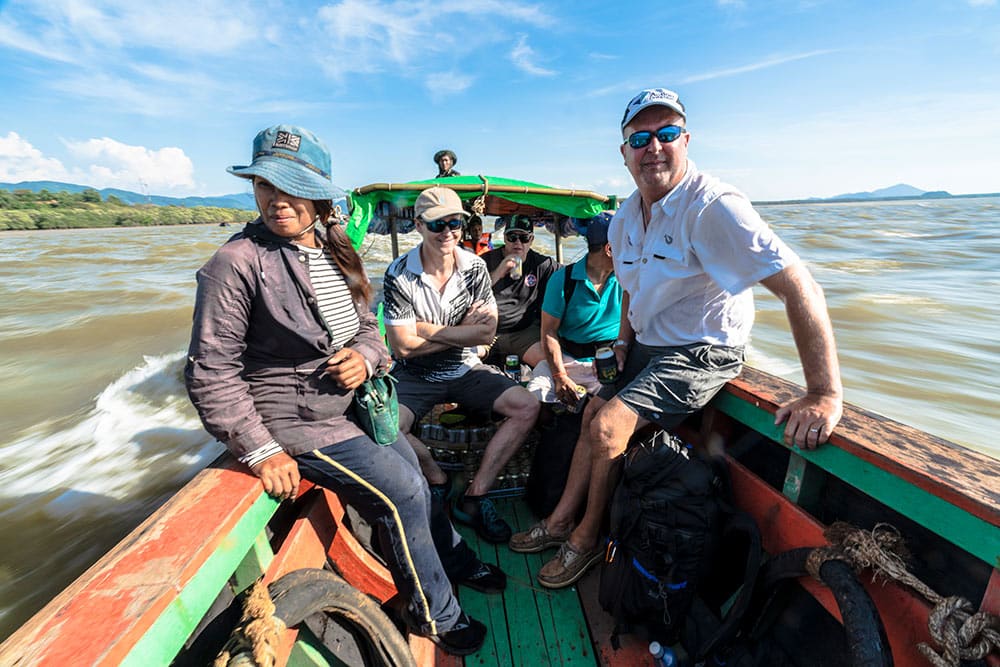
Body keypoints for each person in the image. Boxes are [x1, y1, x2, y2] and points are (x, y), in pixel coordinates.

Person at [184, 125, 502, 656]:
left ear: (319, 194)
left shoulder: (334, 248)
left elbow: (367, 329)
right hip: (297, 422)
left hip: (353, 407)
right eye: (265, 183)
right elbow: (210, 371)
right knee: (401, 495)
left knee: (419, 476)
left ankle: (457, 559)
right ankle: (437, 616)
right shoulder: (236, 264)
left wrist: (365, 357)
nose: (276, 199)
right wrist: (260, 450)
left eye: (291, 187)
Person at [510, 88, 843, 589]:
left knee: (608, 428)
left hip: (699, 350)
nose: (654, 148)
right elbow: (630, 288)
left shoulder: (712, 208)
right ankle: (559, 522)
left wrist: (823, 392)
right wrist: (623, 341)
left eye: (667, 134)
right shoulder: (623, 218)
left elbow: (800, 286)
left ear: (686, 141)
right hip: (647, 345)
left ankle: (585, 540)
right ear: (623, 153)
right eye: (639, 138)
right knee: (590, 415)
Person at [382, 186, 540, 544]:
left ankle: (475, 496)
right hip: (416, 374)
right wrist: (460, 331)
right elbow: (403, 347)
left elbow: (487, 333)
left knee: (527, 406)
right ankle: (437, 478)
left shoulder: (474, 267)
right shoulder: (399, 274)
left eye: (456, 222)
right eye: (438, 224)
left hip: (466, 369)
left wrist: (428, 330)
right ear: (419, 225)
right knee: (387, 427)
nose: (448, 232)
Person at [523, 212, 621, 409]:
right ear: (609, 249)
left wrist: (620, 352)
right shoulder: (562, 280)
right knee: (532, 402)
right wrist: (559, 376)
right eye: (626, 244)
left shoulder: (627, 278)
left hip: (610, 362)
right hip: (566, 361)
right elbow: (549, 332)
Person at [480, 214, 558, 367]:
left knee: (549, 364)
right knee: (463, 364)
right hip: (487, 331)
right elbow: (469, 295)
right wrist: (499, 272)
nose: (518, 243)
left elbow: (570, 275)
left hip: (523, 332)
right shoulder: (485, 261)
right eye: (512, 237)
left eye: (524, 238)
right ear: (504, 238)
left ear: (531, 240)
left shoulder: (541, 264)